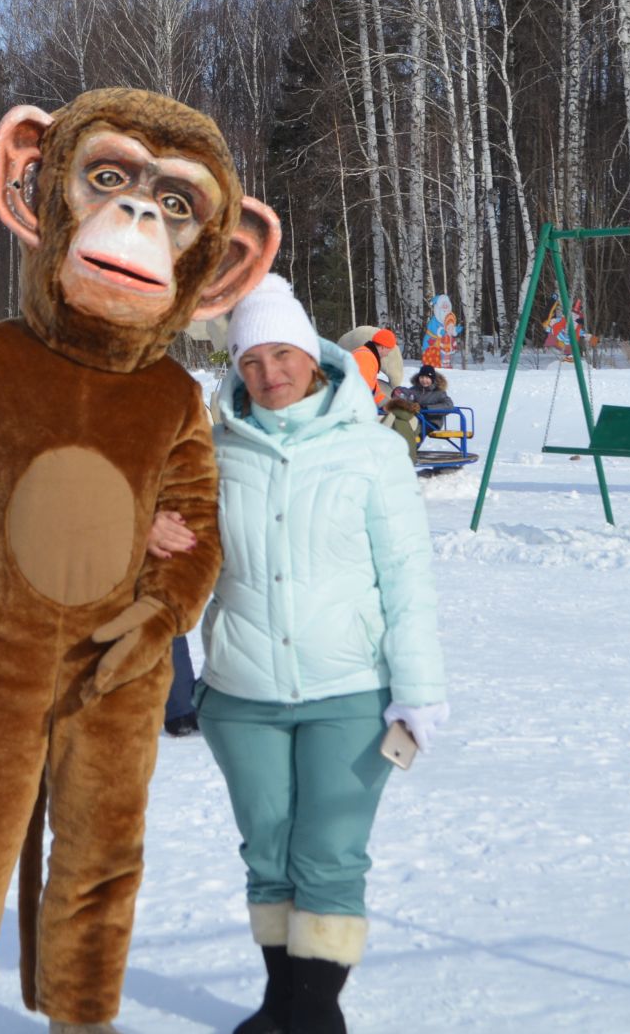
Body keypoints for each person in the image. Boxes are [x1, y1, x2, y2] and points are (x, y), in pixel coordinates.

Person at [152, 274, 447, 1034]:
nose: (268, 374)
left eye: (282, 355)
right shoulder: (212, 452)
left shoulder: (374, 452)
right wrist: (145, 529)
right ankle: (280, 1004)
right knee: (270, 853)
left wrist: (417, 690)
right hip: (242, 693)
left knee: (330, 855)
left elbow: (407, 580)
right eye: (251, 362)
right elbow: (174, 548)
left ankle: (315, 1015)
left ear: (313, 357)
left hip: (350, 690)